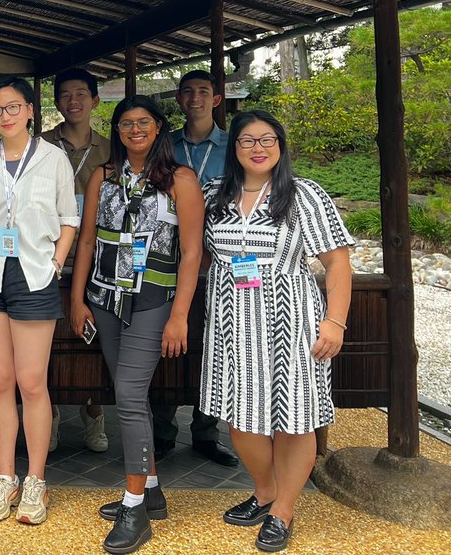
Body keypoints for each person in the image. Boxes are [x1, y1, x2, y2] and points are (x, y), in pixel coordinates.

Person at [201, 110, 352, 554]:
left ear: (281, 145)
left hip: (292, 323)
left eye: (267, 139)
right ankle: (264, 490)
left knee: (294, 419)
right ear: (235, 149)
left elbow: (337, 262)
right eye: (247, 140)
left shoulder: (304, 195)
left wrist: (336, 320)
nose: (258, 147)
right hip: (230, 325)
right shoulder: (215, 195)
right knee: (239, 417)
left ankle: (284, 509)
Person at [71, 95, 203, 555]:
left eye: (143, 122)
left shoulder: (181, 181)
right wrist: (77, 299)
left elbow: (191, 253)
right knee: (130, 395)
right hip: (106, 297)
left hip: (153, 300)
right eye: (125, 123)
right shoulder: (102, 178)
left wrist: (180, 315)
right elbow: (86, 239)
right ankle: (151, 490)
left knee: (127, 397)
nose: (134, 130)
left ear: (159, 126)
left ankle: (133, 508)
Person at [0, 76, 78, 525]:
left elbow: (69, 218)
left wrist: (55, 263)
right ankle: (5, 475)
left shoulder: (53, 159)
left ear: (30, 110)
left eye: (12, 107)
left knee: (31, 381)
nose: (4, 116)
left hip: (34, 275)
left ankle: (35, 480)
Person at [152, 69, 238, 466]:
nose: (195, 98)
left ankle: (206, 431)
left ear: (216, 99)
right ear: (179, 99)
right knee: (166, 341)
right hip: (170, 256)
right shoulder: (164, 145)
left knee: (214, 344)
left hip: (220, 258)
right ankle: (163, 431)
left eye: (203, 92)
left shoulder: (235, 146)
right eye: (187, 92)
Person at [40, 66, 110, 454]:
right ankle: (47, 416)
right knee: (47, 340)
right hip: (48, 250)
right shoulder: (41, 145)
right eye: (65, 94)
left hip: (98, 251)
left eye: (81, 94)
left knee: (94, 337)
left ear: (95, 100)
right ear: (56, 101)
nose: (74, 101)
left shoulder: (110, 147)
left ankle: (93, 412)